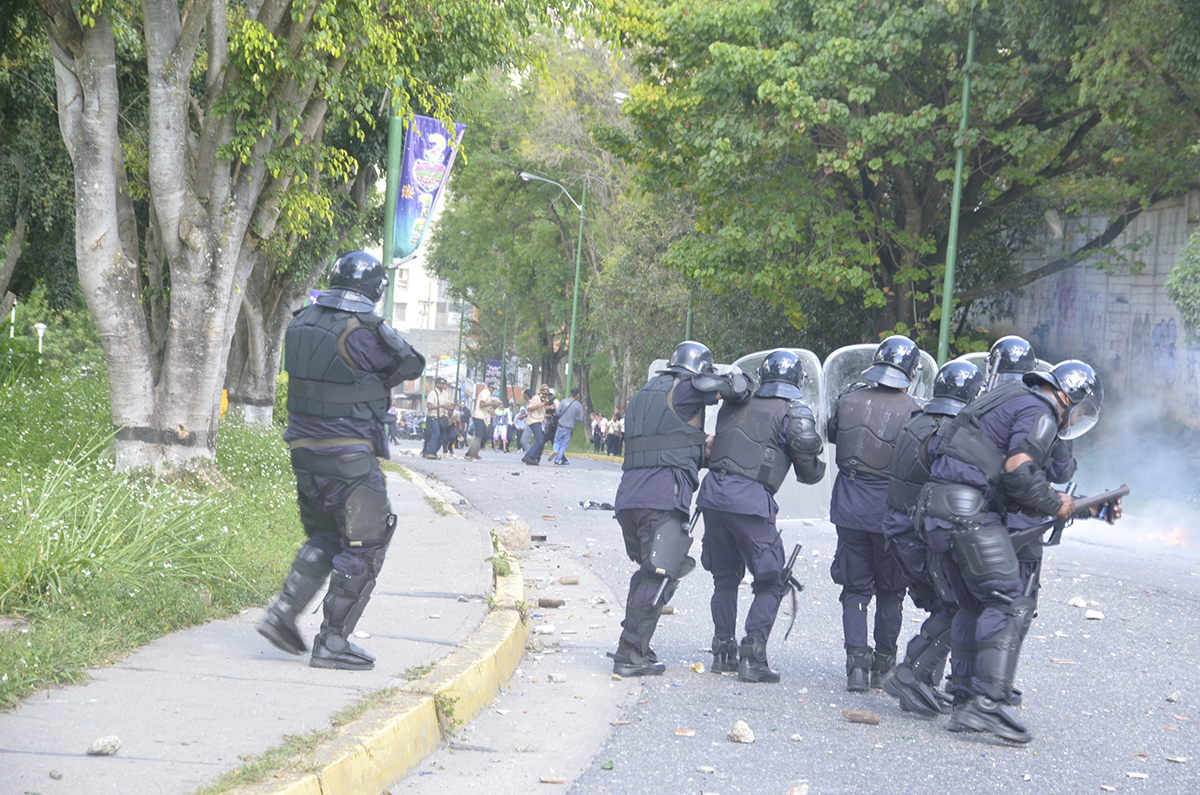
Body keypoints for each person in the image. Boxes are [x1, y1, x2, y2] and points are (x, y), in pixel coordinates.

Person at [920, 359, 1118, 743]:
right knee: (1010, 600)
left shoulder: (1008, 397)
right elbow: (1020, 472)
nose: (1073, 418)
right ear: (1068, 396)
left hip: (938, 507)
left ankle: (963, 698)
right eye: (1078, 409)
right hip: (969, 511)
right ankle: (988, 703)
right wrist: (1057, 502)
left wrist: (1082, 507)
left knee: (975, 604)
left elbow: (1009, 485)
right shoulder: (1041, 411)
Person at [258, 251, 425, 671]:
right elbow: (411, 362)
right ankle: (332, 641)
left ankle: (282, 612)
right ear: (374, 290)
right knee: (366, 545)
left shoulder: (300, 320)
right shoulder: (365, 329)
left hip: (303, 452)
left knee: (328, 538)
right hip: (349, 455)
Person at [607, 341, 750, 677]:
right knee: (659, 576)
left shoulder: (645, 392)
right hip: (661, 498)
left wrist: (699, 446)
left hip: (630, 497)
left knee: (649, 573)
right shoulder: (685, 388)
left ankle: (636, 645)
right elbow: (735, 388)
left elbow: (661, 443)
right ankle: (629, 653)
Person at [699, 349, 826, 683]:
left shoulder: (735, 403)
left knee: (724, 576)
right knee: (771, 579)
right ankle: (752, 655)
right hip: (750, 500)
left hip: (712, 495)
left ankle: (722, 650)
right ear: (797, 380)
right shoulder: (790, 411)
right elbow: (810, 473)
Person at [879, 360, 985, 715]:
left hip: (900, 531)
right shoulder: (952, 431)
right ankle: (911, 674)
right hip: (920, 535)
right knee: (959, 605)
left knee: (947, 604)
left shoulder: (917, 420)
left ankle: (919, 680)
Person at [827, 335, 923, 692]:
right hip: (889, 511)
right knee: (890, 591)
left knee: (855, 589)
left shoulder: (848, 399)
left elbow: (835, 434)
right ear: (910, 371)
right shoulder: (914, 410)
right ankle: (883, 664)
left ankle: (856, 665)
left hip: (849, 507)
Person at [466, 380, 503, 460]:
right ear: (488, 387)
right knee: (479, 436)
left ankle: (474, 452)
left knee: (485, 436)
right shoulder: (485, 393)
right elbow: (481, 404)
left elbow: (485, 407)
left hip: (483, 417)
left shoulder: (489, 395)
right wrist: (494, 403)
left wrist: (490, 412)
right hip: (479, 416)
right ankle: (470, 454)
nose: (493, 390)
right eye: (492, 388)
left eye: (494, 389)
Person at [552, 387, 586, 466]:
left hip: (561, 425)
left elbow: (557, 413)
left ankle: (555, 450)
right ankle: (557, 461)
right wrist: (574, 418)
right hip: (569, 428)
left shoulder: (564, 402)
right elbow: (580, 419)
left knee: (557, 441)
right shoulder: (578, 405)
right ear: (577, 395)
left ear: (570, 393)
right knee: (564, 445)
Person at [521, 384, 552, 466]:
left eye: (547, 390)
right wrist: (539, 405)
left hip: (538, 421)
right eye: (544, 390)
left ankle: (532, 458)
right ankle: (529, 456)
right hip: (533, 420)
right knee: (540, 440)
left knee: (540, 441)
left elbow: (542, 410)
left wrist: (550, 408)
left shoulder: (545, 400)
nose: (546, 392)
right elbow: (529, 408)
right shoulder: (536, 398)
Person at [422, 377, 452, 459]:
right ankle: (430, 452)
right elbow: (429, 407)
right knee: (436, 433)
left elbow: (448, 404)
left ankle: (434, 452)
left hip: (441, 417)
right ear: (437, 384)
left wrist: (449, 408)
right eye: (442, 384)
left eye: (445, 384)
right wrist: (441, 406)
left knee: (442, 436)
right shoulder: (433, 393)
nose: (444, 385)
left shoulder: (445, 394)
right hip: (433, 417)